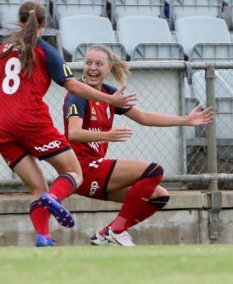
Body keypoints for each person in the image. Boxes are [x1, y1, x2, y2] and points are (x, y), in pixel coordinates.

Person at [0, 1, 136, 247]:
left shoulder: (1, 51)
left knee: (36, 186)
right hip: (31, 121)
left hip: (1, 128)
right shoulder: (44, 50)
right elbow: (72, 85)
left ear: (19, 21)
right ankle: (53, 197)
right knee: (73, 172)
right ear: (44, 24)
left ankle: (44, 237)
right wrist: (108, 97)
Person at [63, 44, 214, 246]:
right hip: (81, 170)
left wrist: (186, 120)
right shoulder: (78, 95)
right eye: (88, 62)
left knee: (159, 196)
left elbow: (143, 117)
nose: (92, 68)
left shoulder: (110, 94)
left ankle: (104, 235)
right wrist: (107, 135)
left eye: (99, 63)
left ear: (109, 67)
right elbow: (73, 133)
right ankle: (117, 231)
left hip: (98, 172)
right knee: (154, 170)